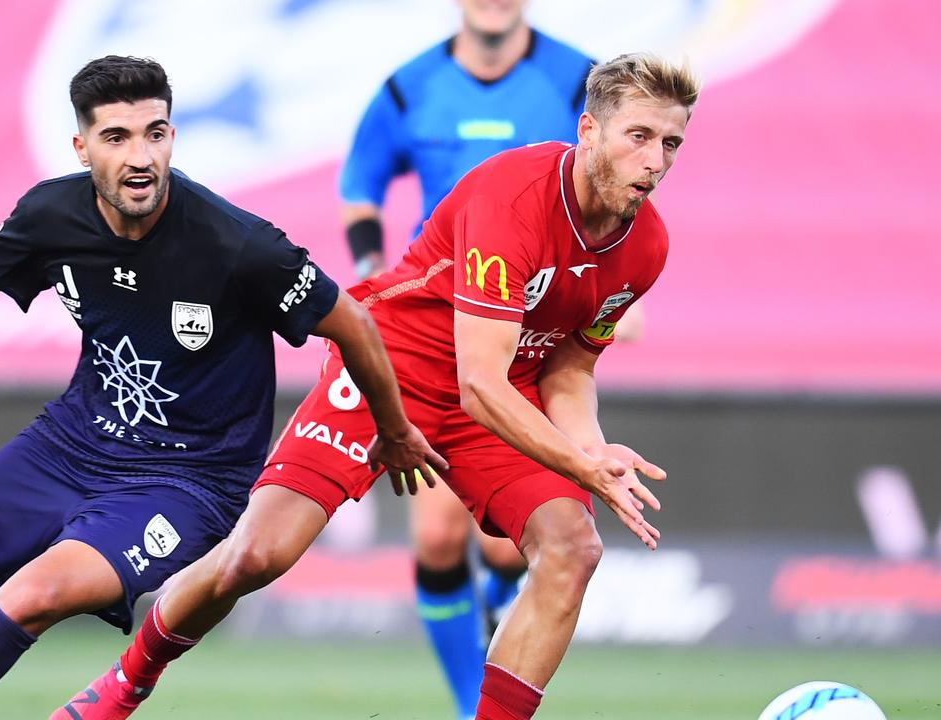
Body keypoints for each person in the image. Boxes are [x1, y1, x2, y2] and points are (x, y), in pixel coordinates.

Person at [55, 52, 699, 720]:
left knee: (572, 549)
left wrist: (592, 450)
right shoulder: (514, 199)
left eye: (671, 142)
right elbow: (479, 381)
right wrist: (582, 464)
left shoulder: (646, 245)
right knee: (257, 555)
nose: (655, 161)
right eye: (640, 137)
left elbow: (569, 368)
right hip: (396, 365)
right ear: (590, 131)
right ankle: (128, 680)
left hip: (496, 393)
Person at [0, 55, 442, 720]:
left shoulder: (238, 243)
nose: (141, 157)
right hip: (70, 444)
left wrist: (393, 432)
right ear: (82, 147)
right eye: (117, 138)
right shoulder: (51, 214)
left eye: (155, 133)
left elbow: (356, 325)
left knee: (29, 598)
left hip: (187, 481)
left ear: (172, 136)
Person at [338, 2, 612, 714]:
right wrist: (373, 271)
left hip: (530, 337)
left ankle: (500, 634)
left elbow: (615, 182)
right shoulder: (410, 86)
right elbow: (359, 184)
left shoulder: (578, 80)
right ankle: (470, 704)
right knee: (434, 537)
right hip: (442, 329)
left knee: (506, 548)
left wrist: (607, 280)